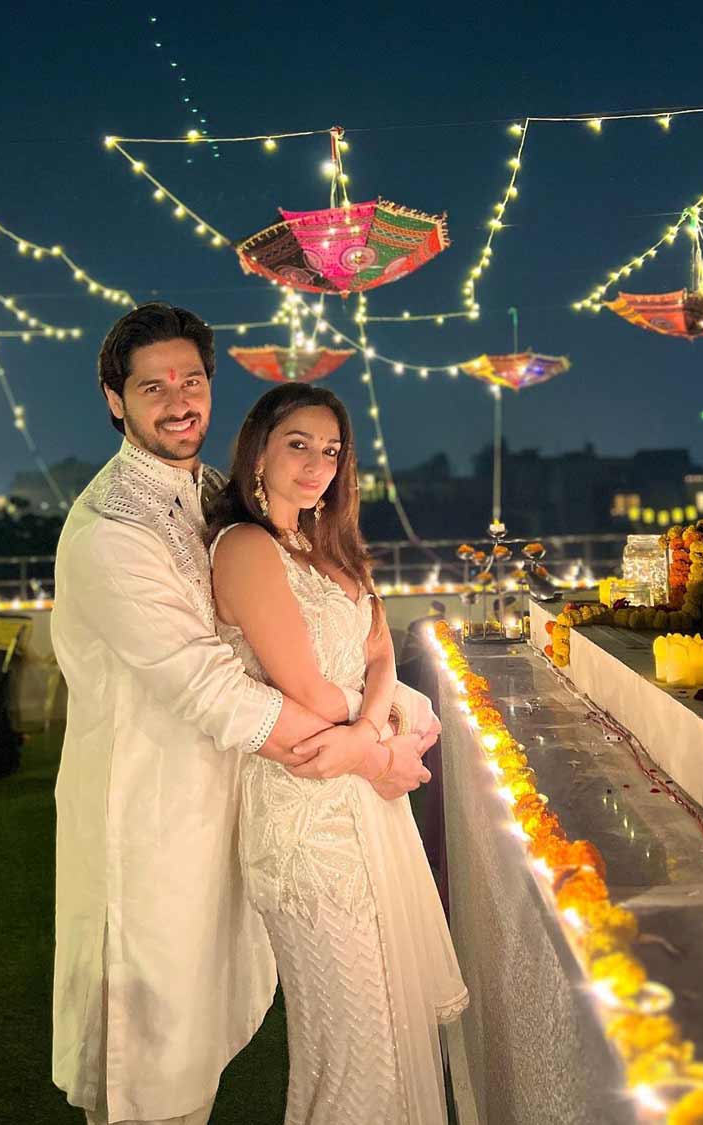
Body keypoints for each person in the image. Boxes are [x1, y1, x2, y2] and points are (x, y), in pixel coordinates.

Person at [51, 304, 432, 1125]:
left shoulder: (218, 495)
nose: (178, 399)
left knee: (209, 1031)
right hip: (150, 813)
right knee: (152, 1057)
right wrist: (370, 753)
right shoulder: (109, 529)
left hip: (241, 795)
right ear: (115, 400)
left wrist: (390, 702)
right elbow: (207, 684)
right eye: (152, 386)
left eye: (191, 380)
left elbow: (295, 633)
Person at [208, 382, 469, 1125]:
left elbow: (383, 650)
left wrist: (368, 737)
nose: (318, 463)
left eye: (331, 450)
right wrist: (373, 741)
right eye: (299, 444)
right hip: (304, 814)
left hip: (357, 793)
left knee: (390, 1024)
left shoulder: (327, 549)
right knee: (352, 1041)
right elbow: (309, 688)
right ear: (258, 448)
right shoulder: (247, 546)